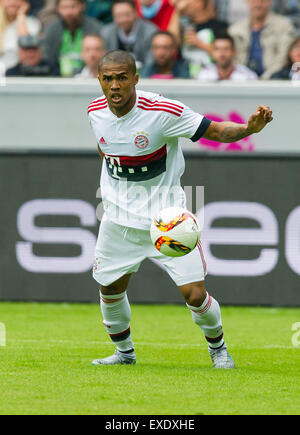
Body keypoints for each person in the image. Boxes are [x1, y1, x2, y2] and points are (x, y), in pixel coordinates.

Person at [87, 49, 273, 368]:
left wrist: (248, 130)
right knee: (109, 288)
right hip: (117, 220)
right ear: (99, 81)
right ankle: (124, 354)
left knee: (195, 294)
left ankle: (219, 349)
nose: (114, 85)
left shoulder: (162, 111)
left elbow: (214, 131)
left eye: (121, 78)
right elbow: (107, 151)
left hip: (167, 221)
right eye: (107, 79)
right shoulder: (94, 112)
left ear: (135, 78)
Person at [229, 0, 295, 79]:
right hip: (241, 80)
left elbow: (283, 57)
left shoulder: (283, 25)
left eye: (262, 1)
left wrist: (264, 78)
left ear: (270, 2)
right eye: (254, 1)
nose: (258, 4)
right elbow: (232, 58)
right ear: (247, 2)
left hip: (273, 80)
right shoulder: (235, 29)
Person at [42, 0, 102, 77]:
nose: (69, 12)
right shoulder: (51, 28)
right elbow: (47, 59)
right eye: (64, 7)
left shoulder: (95, 27)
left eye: (72, 7)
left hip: (89, 77)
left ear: (82, 6)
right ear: (57, 9)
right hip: (57, 78)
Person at [175, 0, 228, 78]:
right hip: (184, 76)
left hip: (210, 77)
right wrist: (176, 12)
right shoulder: (184, 26)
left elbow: (224, 55)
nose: (183, 3)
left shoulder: (219, 27)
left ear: (199, 2)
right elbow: (171, 42)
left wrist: (199, 43)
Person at [101, 0, 158, 69]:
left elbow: (151, 63)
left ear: (135, 12)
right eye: (118, 16)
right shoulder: (106, 33)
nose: (123, 19)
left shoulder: (150, 32)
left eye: (127, 14)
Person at [0, 0, 41, 70]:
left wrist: (21, 16)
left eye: (17, 0)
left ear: (25, 4)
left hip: (20, 72)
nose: (13, 2)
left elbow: (27, 43)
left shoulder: (31, 23)